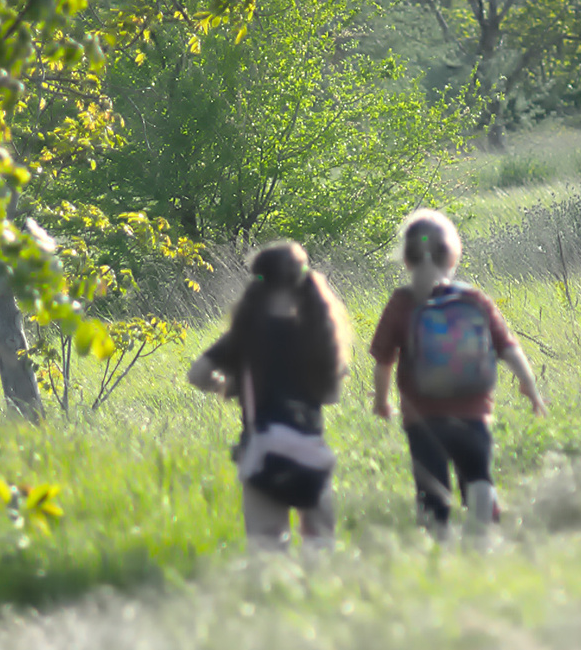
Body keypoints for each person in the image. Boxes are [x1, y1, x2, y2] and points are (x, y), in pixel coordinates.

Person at [369, 209, 546, 539]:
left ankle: (438, 542)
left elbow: (383, 360)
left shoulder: (402, 302)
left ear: (406, 260)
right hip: (473, 413)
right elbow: (508, 347)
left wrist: (381, 401)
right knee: (477, 474)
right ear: (452, 257)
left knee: (432, 488)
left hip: (422, 419)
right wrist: (530, 387)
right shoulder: (472, 298)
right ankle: (482, 532)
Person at [187, 241, 351, 551]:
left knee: (267, 547)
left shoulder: (244, 334)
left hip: (261, 450)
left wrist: (229, 387)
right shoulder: (319, 332)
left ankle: (272, 582)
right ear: (302, 278)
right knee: (320, 544)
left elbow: (197, 374)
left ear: (258, 280)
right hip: (309, 449)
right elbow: (331, 396)